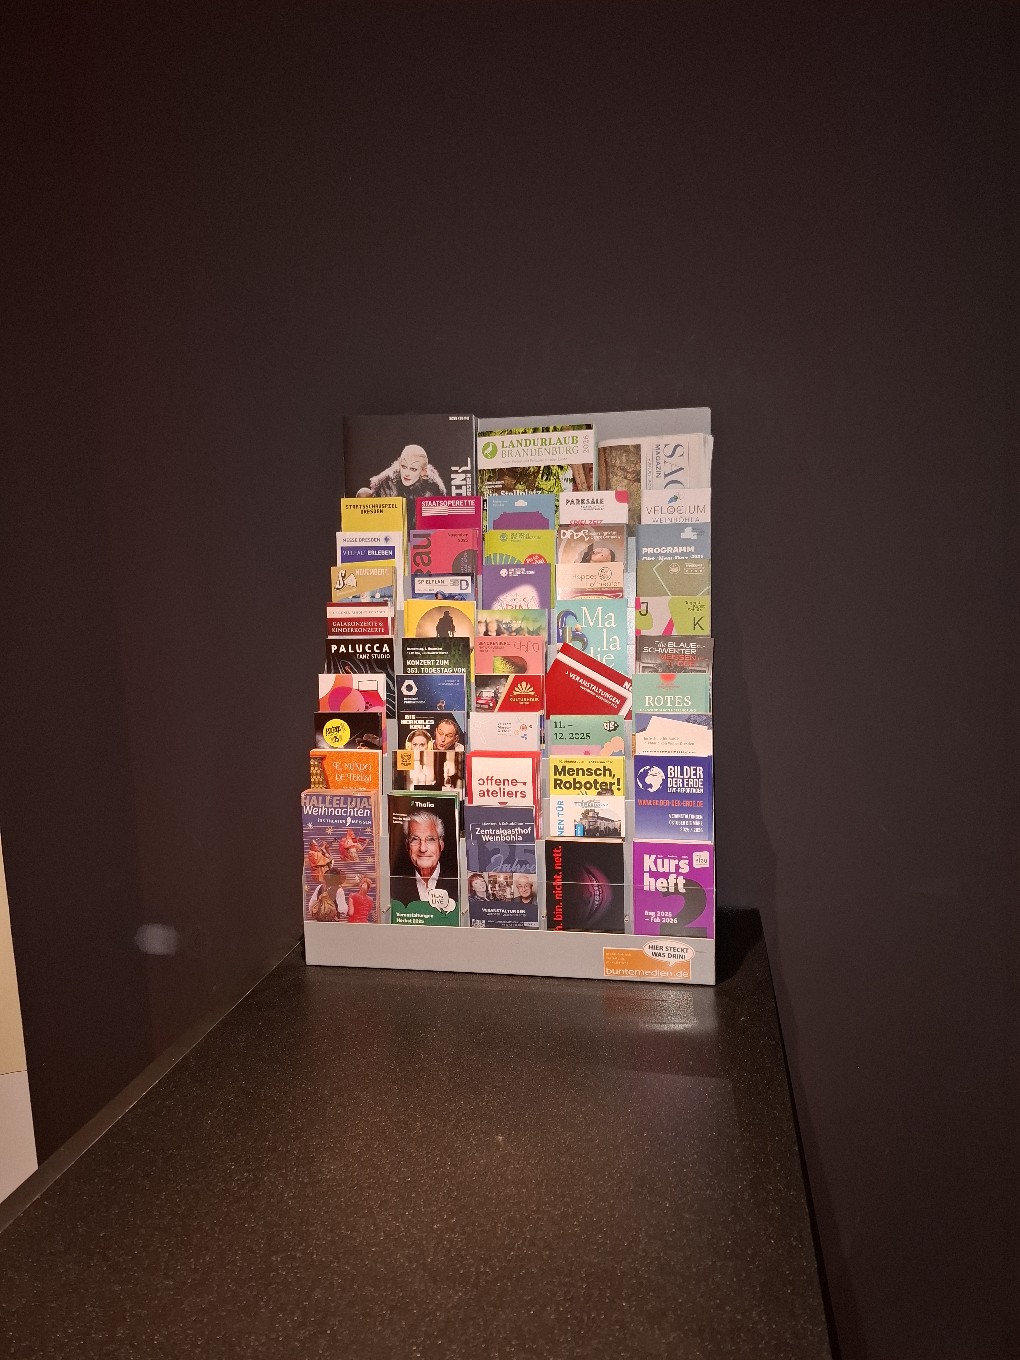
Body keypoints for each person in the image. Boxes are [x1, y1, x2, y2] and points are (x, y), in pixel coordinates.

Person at [356, 444, 447, 500]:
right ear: (399, 465)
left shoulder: (434, 487)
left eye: (413, 469)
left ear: (423, 471)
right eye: (404, 467)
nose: (406, 473)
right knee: (363, 493)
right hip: (392, 525)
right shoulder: (385, 483)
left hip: (421, 526)